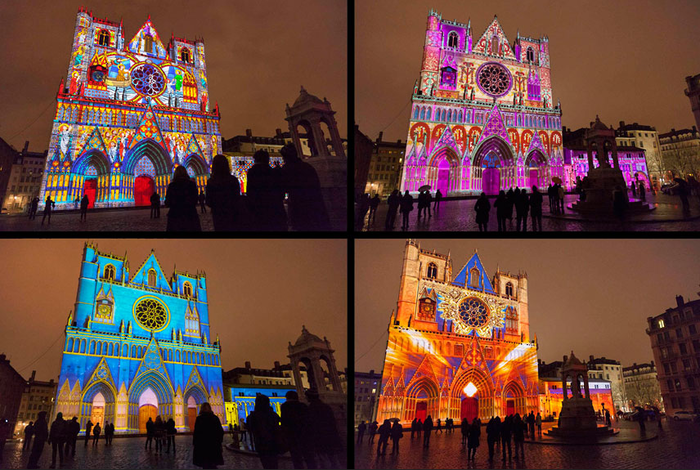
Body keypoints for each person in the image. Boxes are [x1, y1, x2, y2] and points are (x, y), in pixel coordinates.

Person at [279, 143, 330, 231]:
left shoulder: (287, 168)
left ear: (285, 157)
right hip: (315, 205)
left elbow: (283, 187)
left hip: (299, 206)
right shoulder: (308, 167)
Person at [247, 150, 287, 231]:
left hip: (258, 212)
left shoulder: (252, 173)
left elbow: (250, 193)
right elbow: (281, 191)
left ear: (255, 159)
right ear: (267, 159)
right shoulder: (274, 172)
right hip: (275, 211)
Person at [306, 390, 342, 468]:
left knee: (323, 459)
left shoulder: (310, 409)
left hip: (319, 437)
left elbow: (310, 425)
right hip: (330, 436)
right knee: (333, 458)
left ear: (309, 397)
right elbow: (333, 422)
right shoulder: (326, 407)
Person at [205, 154, 242, 231]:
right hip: (232, 214)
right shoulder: (233, 180)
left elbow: (208, 201)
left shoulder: (211, 182)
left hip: (218, 215)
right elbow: (237, 198)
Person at [280, 390, 316, 470]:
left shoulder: (285, 406)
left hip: (292, 436)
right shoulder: (303, 406)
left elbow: (284, 422)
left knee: (297, 459)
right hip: (305, 435)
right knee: (309, 458)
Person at [248, 394, 284, 468]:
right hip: (273, 443)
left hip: (261, 444)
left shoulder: (254, 416)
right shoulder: (273, 415)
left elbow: (250, 428)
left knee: (265, 463)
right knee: (274, 463)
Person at [165, 165, 202, 231]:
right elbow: (195, 200)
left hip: (175, 216)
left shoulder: (172, 186)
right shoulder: (191, 185)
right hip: (190, 215)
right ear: (186, 173)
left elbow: (167, 202)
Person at [193, 402, 224, 469]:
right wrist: (219, 442)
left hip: (203, 446)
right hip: (214, 446)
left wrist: (195, 444)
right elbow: (220, 432)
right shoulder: (215, 418)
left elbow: (196, 433)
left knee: (205, 465)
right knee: (213, 464)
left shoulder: (199, 419)